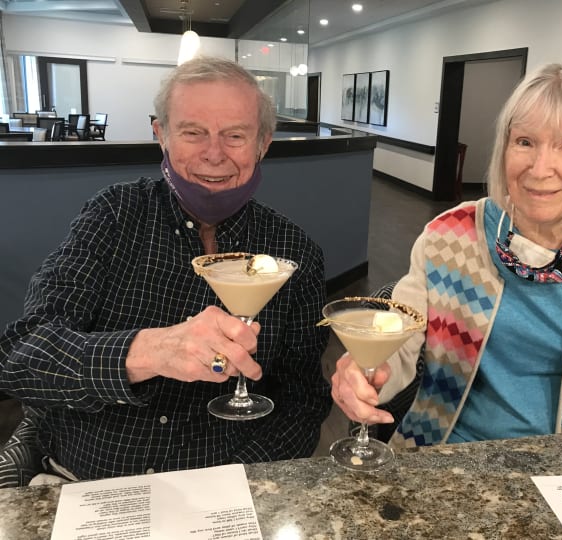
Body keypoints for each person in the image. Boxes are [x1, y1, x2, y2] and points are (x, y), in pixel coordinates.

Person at [0, 56, 331, 482]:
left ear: (263, 143)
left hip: (227, 493)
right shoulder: (112, 216)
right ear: (162, 135)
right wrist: (148, 351)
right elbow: (20, 358)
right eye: (193, 132)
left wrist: (236, 483)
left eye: (235, 135)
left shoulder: (293, 251)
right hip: (88, 484)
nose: (214, 154)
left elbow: (303, 401)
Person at [332, 60, 562, 449]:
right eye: (524, 142)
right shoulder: (449, 236)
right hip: (437, 451)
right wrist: (369, 372)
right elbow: (399, 346)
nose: (540, 169)